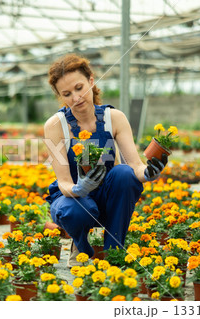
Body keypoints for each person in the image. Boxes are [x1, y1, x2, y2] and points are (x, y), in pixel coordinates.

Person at [44, 54, 167, 267]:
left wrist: (148, 173)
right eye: (67, 94)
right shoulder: (55, 126)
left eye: (79, 88)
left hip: (106, 195)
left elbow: (135, 165)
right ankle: (81, 246)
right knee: (71, 211)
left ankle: (114, 253)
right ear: (61, 97)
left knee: (124, 174)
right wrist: (79, 188)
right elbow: (63, 182)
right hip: (73, 199)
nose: (76, 97)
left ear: (92, 82)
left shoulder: (114, 118)